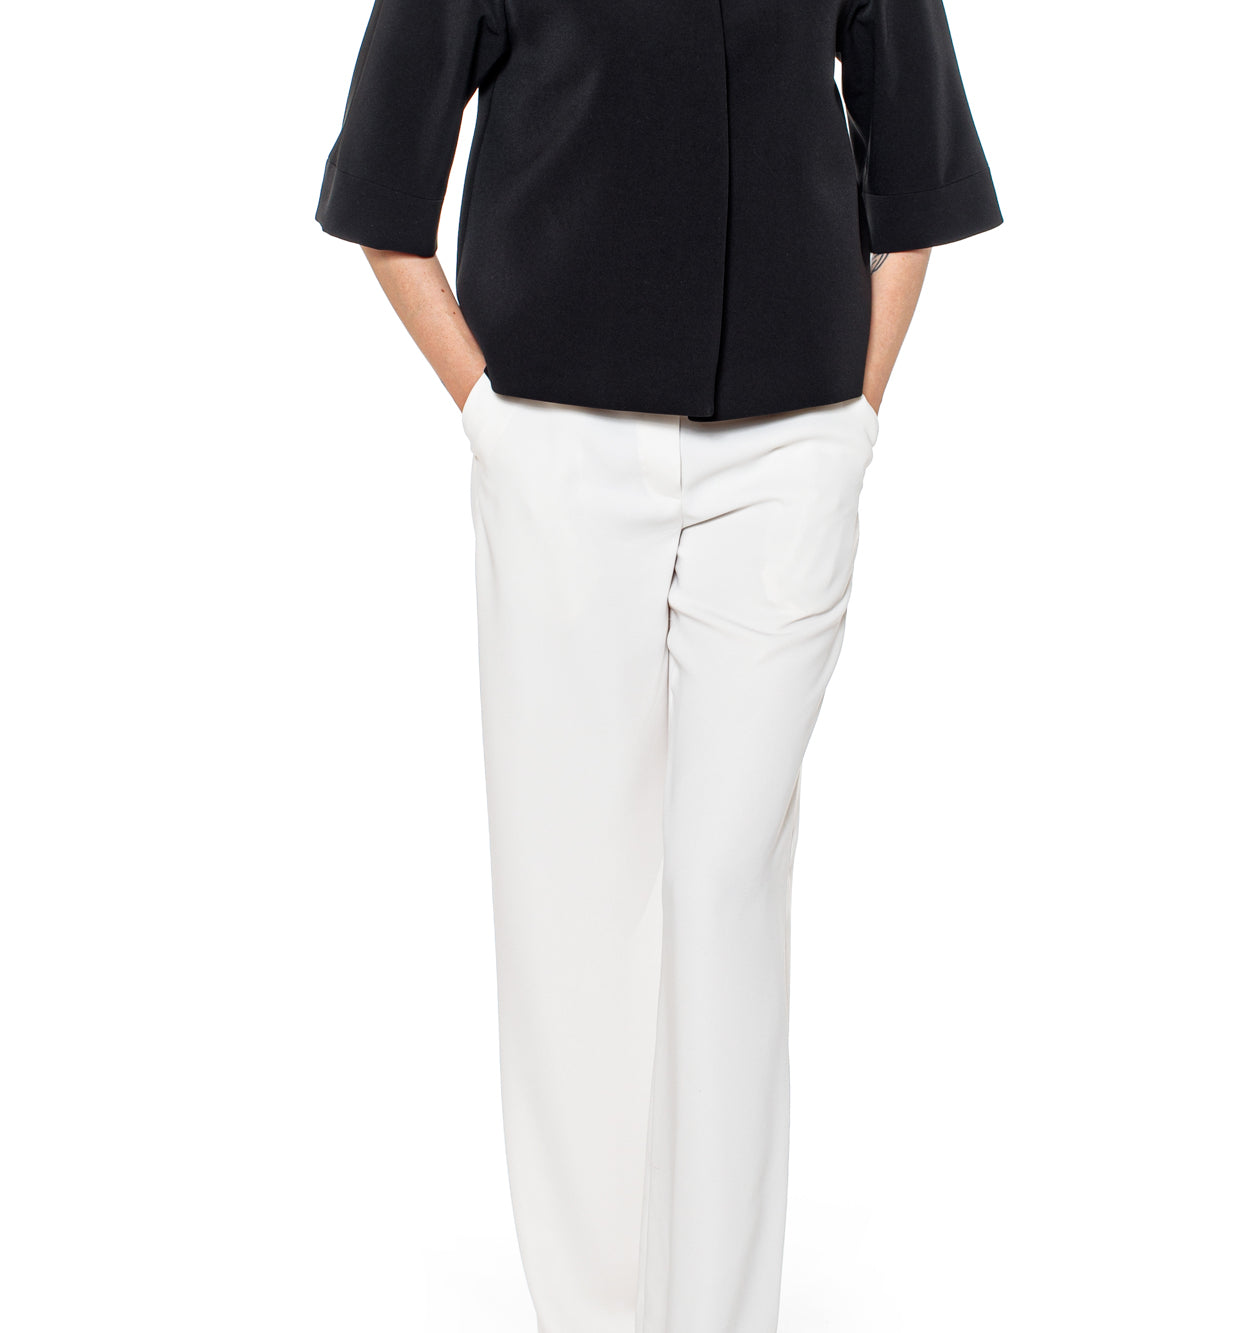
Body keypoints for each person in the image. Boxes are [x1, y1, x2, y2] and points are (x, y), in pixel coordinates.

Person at [315, 1, 1001, 1330]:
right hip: (558, 451)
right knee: (573, 898)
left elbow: (917, 171)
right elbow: (385, 194)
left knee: (725, 886)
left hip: (788, 457)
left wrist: (853, 424)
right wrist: (495, 420)